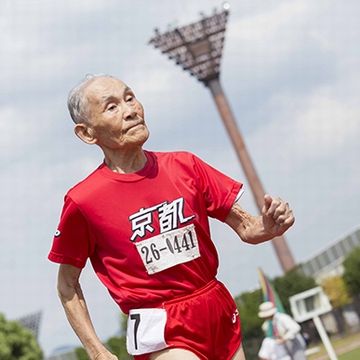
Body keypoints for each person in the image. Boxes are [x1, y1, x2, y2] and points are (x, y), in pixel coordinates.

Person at [48, 74, 295, 360]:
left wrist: (268, 225)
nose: (130, 110)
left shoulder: (185, 165)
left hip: (215, 304)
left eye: (130, 98)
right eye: (112, 107)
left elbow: (248, 228)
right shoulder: (83, 201)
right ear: (87, 133)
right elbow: (67, 284)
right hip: (159, 324)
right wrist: (96, 350)